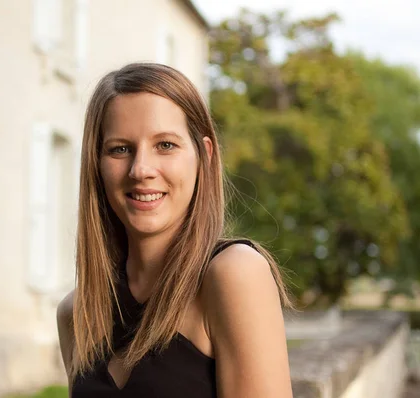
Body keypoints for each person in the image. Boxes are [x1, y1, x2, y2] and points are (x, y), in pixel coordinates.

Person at [57, 62, 293, 398]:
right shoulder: (77, 313)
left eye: (165, 145)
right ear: (97, 165)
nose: (141, 169)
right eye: (120, 149)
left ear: (204, 156)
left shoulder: (234, 274)